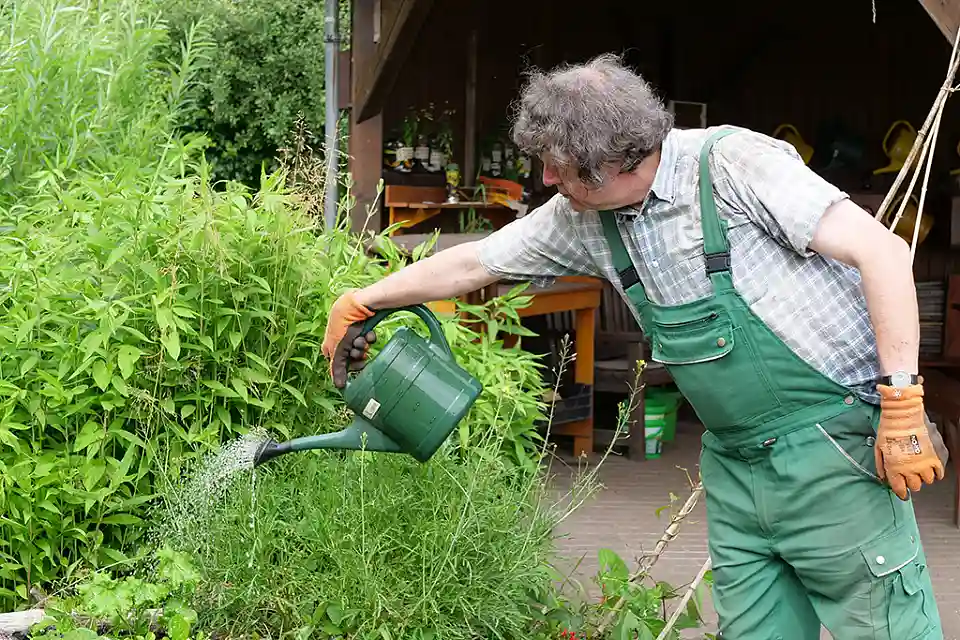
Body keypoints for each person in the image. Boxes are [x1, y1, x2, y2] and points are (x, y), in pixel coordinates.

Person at [320, 53, 948, 639]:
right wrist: (366, 298)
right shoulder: (581, 216)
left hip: (836, 451)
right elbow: (476, 264)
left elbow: (883, 253)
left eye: (557, 164)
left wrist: (901, 404)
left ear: (610, 163)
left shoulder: (732, 164)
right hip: (735, 468)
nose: (543, 177)